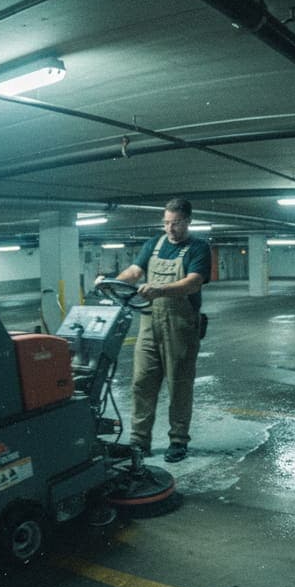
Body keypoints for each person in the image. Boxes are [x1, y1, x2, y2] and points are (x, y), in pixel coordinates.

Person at [107, 198, 211, 462]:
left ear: (188, 221)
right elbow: (134, 271)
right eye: (166, 223)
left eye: (176, 223)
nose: (170, 229)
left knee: (179, 384)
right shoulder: (153, 244)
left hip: (180, 325)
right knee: (142, 382)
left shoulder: (198, 248)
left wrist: (160, 290)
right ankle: (139, 441)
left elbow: (193, 283)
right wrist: (111, 283)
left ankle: (178, 440)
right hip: (149, 322)